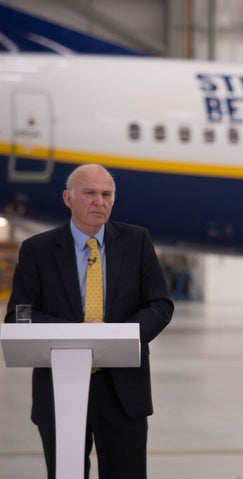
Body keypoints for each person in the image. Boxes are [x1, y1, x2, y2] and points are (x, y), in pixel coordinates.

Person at [4, 164, 174, 479]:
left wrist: (118, 337)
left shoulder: (136, 242)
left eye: (107, 194)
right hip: (59, 388)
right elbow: (19, 316)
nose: (100, 201)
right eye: (90, 193)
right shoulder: (37, 250)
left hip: (124, 392)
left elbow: (160, 305)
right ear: (68, 198)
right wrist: (76, 334)